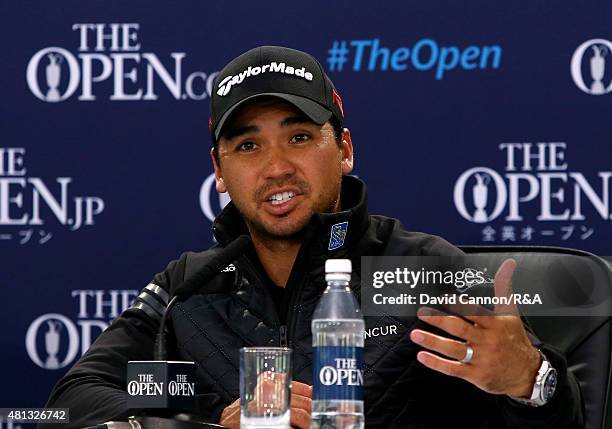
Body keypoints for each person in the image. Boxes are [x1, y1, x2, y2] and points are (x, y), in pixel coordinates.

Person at [42, 46, 584, 429]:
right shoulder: (188, 289)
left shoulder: (423, 271)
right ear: (218, 170)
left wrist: (530, 381)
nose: (276, 167)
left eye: (299, 137)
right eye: (248, 146)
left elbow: (562, 417)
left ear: (344, 149)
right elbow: (69, 404)